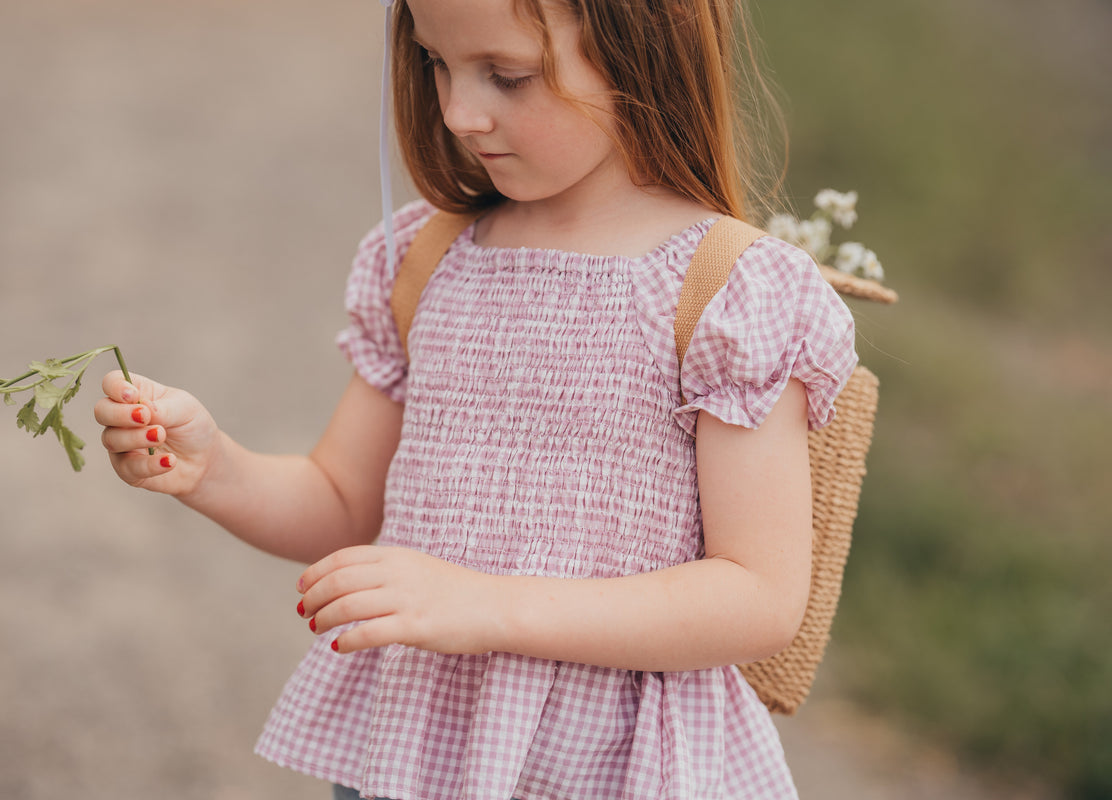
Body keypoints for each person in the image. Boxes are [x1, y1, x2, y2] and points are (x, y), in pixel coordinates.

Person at [94, 0, 858, 797]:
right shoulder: (427, 258)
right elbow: (346, 501)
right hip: (415, 748)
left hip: (611, 768)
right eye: (436, 63)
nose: (458, 112)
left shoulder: (728, 291)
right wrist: (216, 470)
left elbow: (759, 595)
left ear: (641, 46)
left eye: (507, 75)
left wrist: (487, 605)